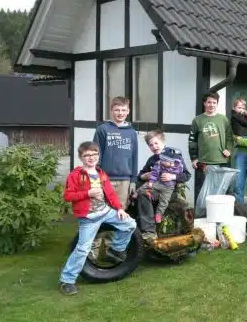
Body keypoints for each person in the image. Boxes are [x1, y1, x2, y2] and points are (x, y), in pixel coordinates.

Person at [59, 141, 137, 296]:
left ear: (98, 156)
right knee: (82, 249)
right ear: (81, 157)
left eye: (94, 154)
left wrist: (120, 209)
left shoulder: (101, 173)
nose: (91, 157)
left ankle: (115, 250)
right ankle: (67, 280)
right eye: (87, 155)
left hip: (105, 211)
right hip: (89, 217)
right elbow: (67, 196)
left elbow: (111, 194)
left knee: (129, 224)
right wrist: (87, 194)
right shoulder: (75, 175)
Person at [135, 130, 191, 241]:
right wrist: (144, 176)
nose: (154, 146)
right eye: (151, 145)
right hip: (155, 190)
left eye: (156, 143)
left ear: (163, 142)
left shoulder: (174, 156)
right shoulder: (152, 160)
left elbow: (187, 175)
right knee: (142, 192)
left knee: (144, 194)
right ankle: (147, 230)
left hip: (169, 192)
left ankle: (151, 230)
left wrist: (173, 177)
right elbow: (140, 175)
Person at [93, 96, 138, 209]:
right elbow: (96, 154)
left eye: (123, 110)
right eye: (117, 110)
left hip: (124, 180)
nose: (120, 113)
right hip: (105, 177)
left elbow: (134, 158)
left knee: (120, 209)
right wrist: (95, 176)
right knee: (102, 208)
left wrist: (133, 181)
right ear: (111, 110)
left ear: (128, 111)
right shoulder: (102, 129)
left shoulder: (132, 133)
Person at [188, 92, 233, 205]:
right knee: (202, 195)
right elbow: (192, 141)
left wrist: (229, 149)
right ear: (204, 103)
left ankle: (221, 220)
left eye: (214, 102)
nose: (211, 105)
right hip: (203, 164)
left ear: (217, 104)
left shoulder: (223, 119)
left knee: (222, 195)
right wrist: (194, 158)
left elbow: (230, 137)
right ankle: (200, 220)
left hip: (222, 161)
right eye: (209, 102)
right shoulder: (197, 120)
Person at [136, 148, 184, 224]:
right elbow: (154, 173)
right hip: (158, 183)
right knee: (146, 185)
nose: (162, 162)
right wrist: (151, 181)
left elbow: (184, 175)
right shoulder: (159, 164)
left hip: (168, 188)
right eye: (161, 159)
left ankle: (159, 214)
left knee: (164, 201)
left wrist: (173, 176)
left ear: (171, 161)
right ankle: (136, 193)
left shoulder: (178, 166)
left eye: (164, 161)